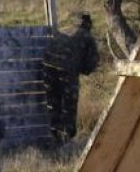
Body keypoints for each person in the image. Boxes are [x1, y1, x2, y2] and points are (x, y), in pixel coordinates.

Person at [42, 14, 100, 143]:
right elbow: (92, 63)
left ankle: (54, 136)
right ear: (88, 25)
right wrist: (82, 70)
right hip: (67, 70)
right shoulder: (86, 36)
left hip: (48, 69)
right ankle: (67, 138)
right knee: (69, 106)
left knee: (53, 104)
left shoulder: (64, 29)